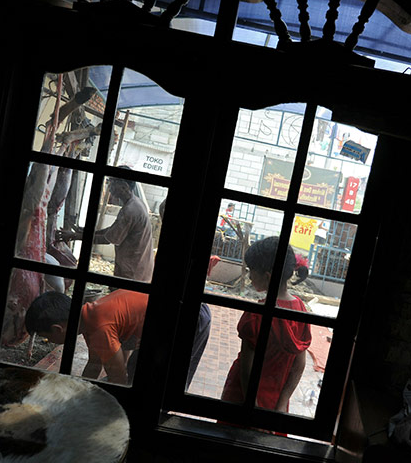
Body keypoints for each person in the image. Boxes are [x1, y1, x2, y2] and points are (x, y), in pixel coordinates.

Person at [221, 236, 311, 413]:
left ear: (268, 276)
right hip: (276, 399)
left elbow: (247, 371)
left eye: (251, 270)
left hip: (243, 397)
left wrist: (252, 407)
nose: (248, 275)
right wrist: (281, 404)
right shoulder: (300, 309)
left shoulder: (256, 314)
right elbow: (299, 365)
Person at [25, 289, 148, 385]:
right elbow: (94, 364)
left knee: (133, 374)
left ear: (57, 329)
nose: (50, 341)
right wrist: (79, 392)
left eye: (46, 337)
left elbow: (118, 378)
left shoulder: (99, 328)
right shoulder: (87, 317)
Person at [58, 168, 154, 282]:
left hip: (133, 271)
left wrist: (75, 236)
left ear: (124, 186)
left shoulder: (130, 210)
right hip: (137, 267)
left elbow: (108, 238)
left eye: (112, 182)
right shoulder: (135, 203)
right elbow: (113, 230)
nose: (109, 186)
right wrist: (84, 232)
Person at [158, 196, 211, 390]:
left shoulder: (180, 247)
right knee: (180, 371)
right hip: (196, 312)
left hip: (189, 313)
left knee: (173, 371)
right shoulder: (188, 241)